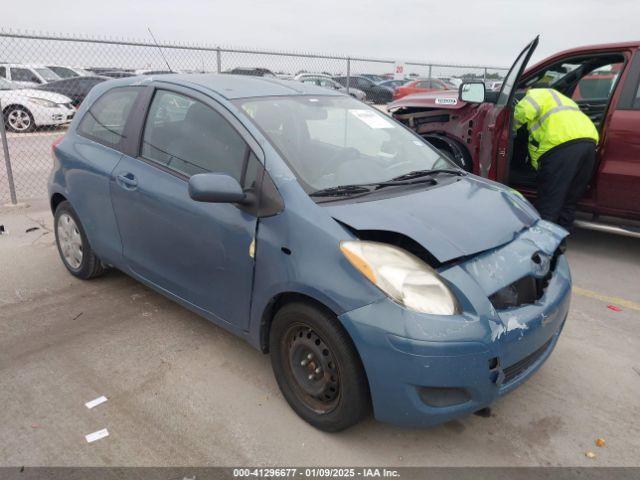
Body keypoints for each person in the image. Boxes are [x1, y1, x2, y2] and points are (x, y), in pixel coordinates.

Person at [514, 88, 599, 231]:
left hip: (560, 146)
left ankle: (543, 243)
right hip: (589, 143)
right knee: (569, 200)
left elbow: (520, 114)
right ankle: (561, 241)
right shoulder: (564, 100)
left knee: (550, 202)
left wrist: (510, 127)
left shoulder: (535, 94)